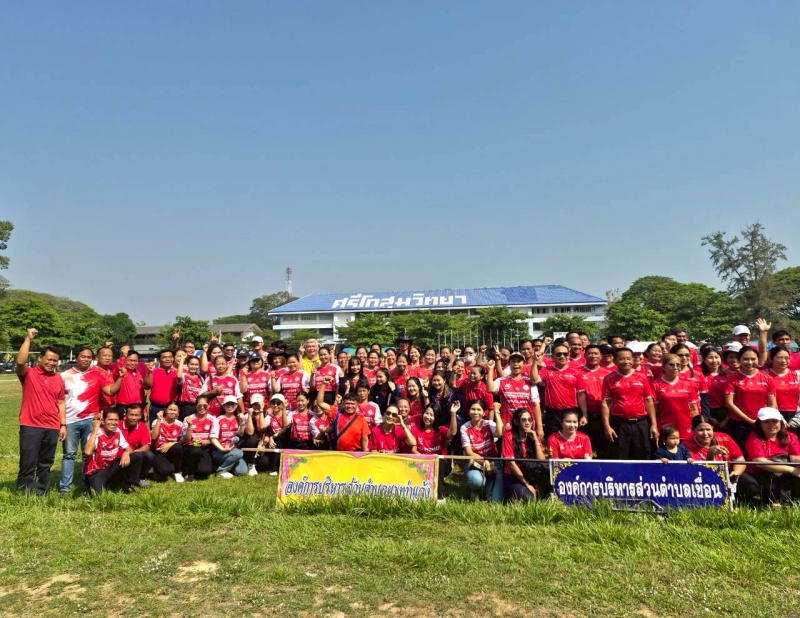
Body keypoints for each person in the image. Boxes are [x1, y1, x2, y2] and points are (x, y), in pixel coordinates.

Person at [59, 346, 124, 495]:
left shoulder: (96, 375)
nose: (86, 359)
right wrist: (62, 423)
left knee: (88, 454)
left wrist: (120, 377)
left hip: (91, 420)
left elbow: (110, 391)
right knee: (69, 454)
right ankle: (65, 487)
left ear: (92, 359)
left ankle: (86, 483)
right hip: (70, 421)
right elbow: (59, 400)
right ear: (76, 357)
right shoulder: (64, 375)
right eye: (83, 356)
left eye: (89, 357)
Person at [16, 328, 66, 495]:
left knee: (46, 462)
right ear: (40, 358)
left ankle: (42, 491)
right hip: (31, 425)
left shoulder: (58, 378)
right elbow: (21, 361)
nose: (52, 363)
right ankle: (24, 493)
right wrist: (28, 339)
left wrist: (63, 425)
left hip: (52, 427)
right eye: (49, 359)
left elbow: (60, 402)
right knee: (28, 461)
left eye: (55, 360)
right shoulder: (29, 374)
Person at [601, 347, 658, 460]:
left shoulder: (642, 377)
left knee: (643, 454)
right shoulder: (609, 378)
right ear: (615, 361)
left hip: (641, 423)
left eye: (628, 358)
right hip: (620, 423)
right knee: (620, 455)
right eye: (622, 359)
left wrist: (653, 424)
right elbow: (605, 403)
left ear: (633, 360)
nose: (626, 361)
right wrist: (607, 426)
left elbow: (648, 400)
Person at [742, 407, 800, 504]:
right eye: (766, 421)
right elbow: (761, 463)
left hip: (785, 472)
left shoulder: (791, 436)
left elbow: (796, 459)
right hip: (761, 473)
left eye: (775, 421)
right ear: (759, 423)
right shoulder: (754, 438)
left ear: (780, 422)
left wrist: (797, 467)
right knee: (772, 487)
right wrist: (792, 470)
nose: (771, 425)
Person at [724, 347, 777, 450]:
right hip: (739, 423)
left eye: (753, 359)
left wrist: (763, 420)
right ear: (739, 360)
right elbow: (729, 403)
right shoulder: (732, 378)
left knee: (761, 450)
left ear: (758, 359)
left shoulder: (767, 378)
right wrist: (749, 420)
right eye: (746, 359)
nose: (749, 362)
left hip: (762, 422)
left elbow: (772, 404)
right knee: (741, 451)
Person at [83, 409, 142, 495]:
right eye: (110, 419)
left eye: (116, 420)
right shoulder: (96, 434)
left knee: (136, 456)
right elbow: (88, 452)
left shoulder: (117, 431)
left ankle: (127, 484)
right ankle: (95, 484)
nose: (113, 423)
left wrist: (126, 453)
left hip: (111, 466)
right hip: (96, 470)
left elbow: (130, 449)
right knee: (97, 494)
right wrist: (95, 429)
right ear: (103, 421)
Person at [411, 401, 459, 502]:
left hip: (441, 465)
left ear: (436, 417)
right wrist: (426, 460)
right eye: (426, 413)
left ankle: (440, 496)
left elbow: (453, 432)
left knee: (439, 461)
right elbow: (413, 450)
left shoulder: (441, 430)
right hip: (422, 462)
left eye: (432, 415)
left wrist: (453, 413)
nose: (428, 417)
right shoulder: (416, 429)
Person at [487, 351, 542, 438]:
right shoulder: (501, 380)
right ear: (509, 364)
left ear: (523, 363)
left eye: (519, 361)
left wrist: (539, 426)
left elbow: (536, 405)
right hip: (508, 423)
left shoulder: (529, 382)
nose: (516, 364)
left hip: (526, 423)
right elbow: (490, 389)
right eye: (513, 361)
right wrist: (490, 370)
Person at [533, 344, 582, 440]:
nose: (562, 356)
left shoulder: (576, 372)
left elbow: (580, 394)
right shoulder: (546, 370)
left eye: (565, 354)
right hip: (552, 413)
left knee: (570, 439)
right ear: (553, 357)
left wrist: (584, 414)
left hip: (571, 411)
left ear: (568, 355)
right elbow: (534, 380)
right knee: (552, 440)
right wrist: (535, 361)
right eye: (559, 354)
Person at [461, 399, 504, 502]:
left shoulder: (489, 424)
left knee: (496, 501)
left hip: (493, 462)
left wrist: (497, 412)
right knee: (475, 480)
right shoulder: (464, 428)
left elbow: (500, 433)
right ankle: (476, 490)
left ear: (484, 413)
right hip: (475, 463)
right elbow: (469, 452)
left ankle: (487, 488)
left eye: (479, 409)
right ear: (468, 411)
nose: (475, 412)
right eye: (473, 409)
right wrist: (484, 462)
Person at [502, 407, 549, 501]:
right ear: (516, 421)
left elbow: (542, 461)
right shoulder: (509, 436)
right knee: (530, 499)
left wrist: (536, 440)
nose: (527, 423)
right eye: (523, 420)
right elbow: (512, 464)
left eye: (529, 420)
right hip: (514, 476)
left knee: (546, 468)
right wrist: (527, 484)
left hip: (530, 473)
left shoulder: (533, 436)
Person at [650, 354, 699, 441]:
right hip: (665, 426)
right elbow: (654, 410)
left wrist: (697, 426)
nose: (675, 368)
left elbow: (694, 409)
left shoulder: (687, 384)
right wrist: (654, 426)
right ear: (663, 367)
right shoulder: (655, 385)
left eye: (678, 365)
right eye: (671, 365)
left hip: (686, 426)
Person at [576, 344, 611, 455]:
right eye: (590, 353)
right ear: (585, 355)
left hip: (604, 415)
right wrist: (584, 414)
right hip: (584, 415)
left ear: (601, 356)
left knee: (604, 447)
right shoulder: (577, 372)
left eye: (596, 353)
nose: (593, 356)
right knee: (585, 447)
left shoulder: (608, 373)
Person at [210, 395, 253, 478]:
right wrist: (222, 449)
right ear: (223, 406)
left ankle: (226, 464)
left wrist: (242, 423)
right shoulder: (218, 419)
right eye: (227, 404)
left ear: (236, 406)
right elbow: (213, 438)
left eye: (232, 404)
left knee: (242, 471)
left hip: (233, 450)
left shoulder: (237, 418)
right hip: (219, 451)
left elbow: (240, 434)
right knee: (239, 453)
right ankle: (221, 471)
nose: (230, 406)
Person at [150, 401, 186, 483]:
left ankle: (177, 472)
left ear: (178, 412)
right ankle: (156, 467)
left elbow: (183, 440)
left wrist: (170, 444)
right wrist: (159, 420)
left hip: (172, 451)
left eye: (174, 410)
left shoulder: (180, 424)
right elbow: (154, 437)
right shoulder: (157, 421)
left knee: (178, 447)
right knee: (165, 471)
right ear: (165, 410)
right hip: (159, 451)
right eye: (170, 409)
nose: (172, 412)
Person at [118, 402, 153, 487]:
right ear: (126, 415)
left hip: (134, 454)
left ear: (140, 416)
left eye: (136, 415)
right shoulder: (118, 425)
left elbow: (147, 446)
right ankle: (127, 480)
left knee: (149, 455)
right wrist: (125, 453)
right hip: (119, 456)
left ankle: (141, 478)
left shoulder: (143, 426)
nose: (134, 418)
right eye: (131, 415)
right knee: (138, 456)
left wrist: (132, 452)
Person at [182, 395, 215, 480]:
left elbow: (212, 439)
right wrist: (189, 426)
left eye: (205, 405)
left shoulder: (213, 419)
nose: (202, 408)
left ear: (209, 406)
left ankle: (194, 468)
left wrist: (204, 441)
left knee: (205, 471)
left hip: (204, 447)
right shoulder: (188, 418)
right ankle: (189, 473)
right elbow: (186, 440)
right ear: (196, 406)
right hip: (190, 447)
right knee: (196, 450)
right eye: (199, 405)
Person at [765, 346, 800, 425]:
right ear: (771, 358)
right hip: (772, 416)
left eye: (787, 358)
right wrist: (780, 419)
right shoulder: (764, 375)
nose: (784, 361)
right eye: (779, 358)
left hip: (795, 416)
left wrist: (797, 419)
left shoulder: (797, 375)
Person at [113, 350, 149, 420]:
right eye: (130, 360)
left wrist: (144, 410)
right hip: (124, 407)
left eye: (135, 361)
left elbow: (142, 395)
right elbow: (119, 367)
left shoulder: (139, 375)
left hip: (138, 408)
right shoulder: (121, 372)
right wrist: (123, 357)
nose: (132, 363)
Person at [145, 350, 180, 419]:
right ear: (159, 360)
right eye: (164, 357)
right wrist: (150, 372)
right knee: (155, 425)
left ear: (173, 358)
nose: (167, 359)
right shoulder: (153, 371)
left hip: (172, 409)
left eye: (170, 357)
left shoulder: (178, 373)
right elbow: (147, 386)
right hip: (156, 407)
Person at [699, 347, 728, 428]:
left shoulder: (728, 375)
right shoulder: (700, 376)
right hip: (706, 412)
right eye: (710, 357)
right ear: (704, 360)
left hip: (726, 413)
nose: (714, 360)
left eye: (716, 357)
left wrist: (727, 419)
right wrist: (708, 417)